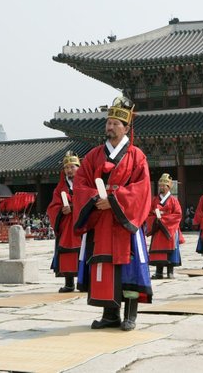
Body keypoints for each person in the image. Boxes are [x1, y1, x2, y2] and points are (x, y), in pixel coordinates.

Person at [72, 96, 152, 331]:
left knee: (129, 266)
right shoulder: (94, 156)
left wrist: (114, 200)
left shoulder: (137, 156)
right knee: (104, 266)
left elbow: (142, 189)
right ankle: (110, 314)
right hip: (101, 220)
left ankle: (130, 314)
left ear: (126, 127)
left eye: (116, 123)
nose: (110, 126)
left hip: (124, 220)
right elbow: (80, 184)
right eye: (108, 122)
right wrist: (96, 198)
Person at [47, 151, 82, 292]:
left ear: (79, 167)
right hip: (66, 226)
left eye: (72, 167)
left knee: (84, 253)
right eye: (66, 168)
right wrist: (61, 209)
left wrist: (74, 207)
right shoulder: (60, 188)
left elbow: (90, 199)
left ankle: (85, 282)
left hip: (82, 224)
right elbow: (52, 206)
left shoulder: (85, 184)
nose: (69, 170)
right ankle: (69, 283)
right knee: (67, 253)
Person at [146, 173, 183, 279]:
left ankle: (170, 271)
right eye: (160, 185)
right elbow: (149, 214)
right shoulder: (154, 200)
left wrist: (163, 219)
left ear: (168, 187)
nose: (161, 187)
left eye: (164, 185)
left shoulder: (173, 200)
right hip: (158, 228)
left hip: (169, 230)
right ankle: (159, 272)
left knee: (171, 251)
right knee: (158, 251)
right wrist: (155, 219)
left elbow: (178, 215)